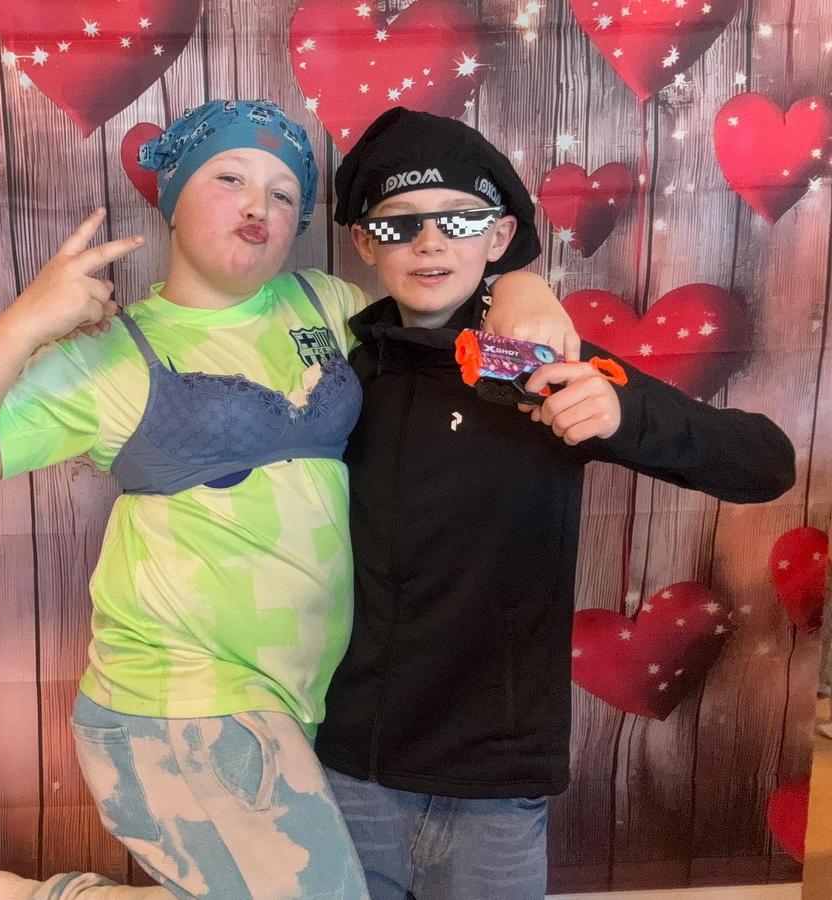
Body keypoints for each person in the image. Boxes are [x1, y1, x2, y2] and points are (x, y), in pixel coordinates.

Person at [0, 100, 575, 900]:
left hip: (301, 702)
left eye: (284, 194)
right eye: (229, 178)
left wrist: (520, 282)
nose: (260, 205)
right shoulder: (113, 350)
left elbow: (442, 307)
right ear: (172, 199)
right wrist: (22, 325)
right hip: (180, 691)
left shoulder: (326, 306)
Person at [314, 107, 797, 900]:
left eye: (458, 219)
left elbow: (765, 465)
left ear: (498, 235)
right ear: (366, 243)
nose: (430, 242)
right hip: (349, 770)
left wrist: (623, 413)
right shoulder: (340, 374)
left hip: (495, 781)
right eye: (400, 225)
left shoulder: (546, 364)